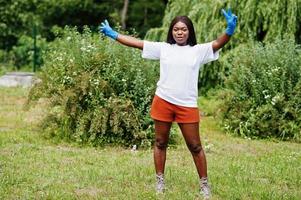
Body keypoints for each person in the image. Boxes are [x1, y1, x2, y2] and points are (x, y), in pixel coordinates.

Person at [100, 9, 237, 199]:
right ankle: (159, 181)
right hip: (163, 101)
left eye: (183, 29)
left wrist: (229, 30)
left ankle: (204, 185)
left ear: (189, 32)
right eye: (176, 29)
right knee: (160, 142)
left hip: (187, 105)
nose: (179, 32)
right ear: (171, 32)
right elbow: (137, 43)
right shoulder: (163, 48)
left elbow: (218, 43)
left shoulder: (198, 51)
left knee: (195, 146)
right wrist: (114, 35)